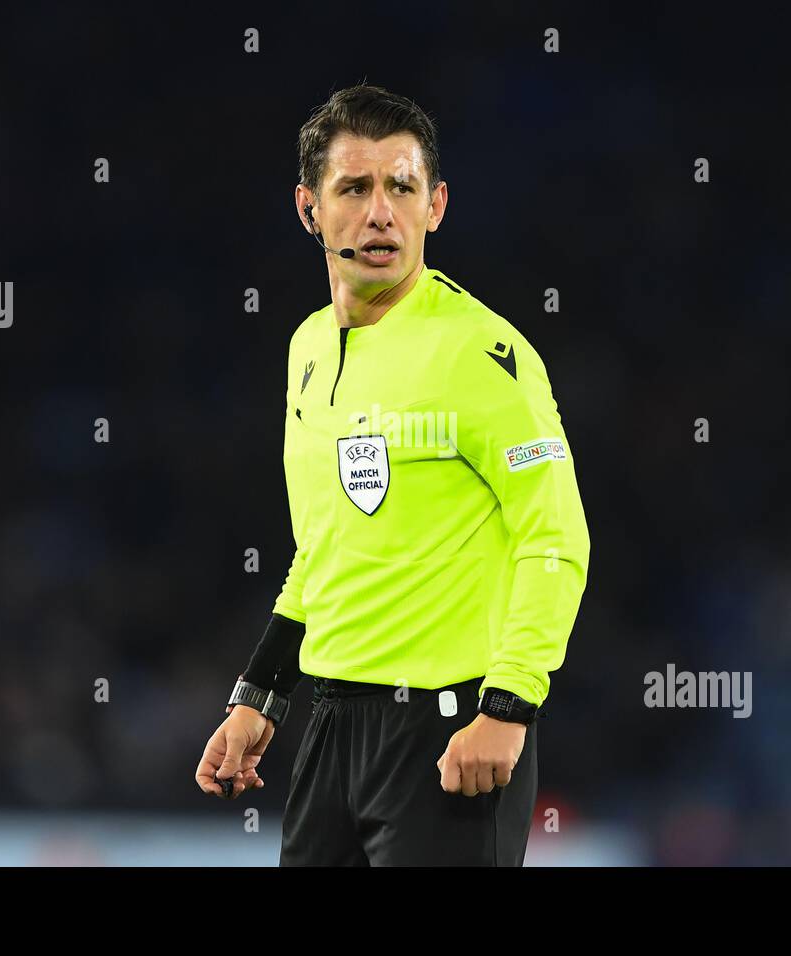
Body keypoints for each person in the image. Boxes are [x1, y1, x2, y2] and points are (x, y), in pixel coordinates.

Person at [195, 83, 589, 866]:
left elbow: (556, 539)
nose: (381, 212)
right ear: (309, 208)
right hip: (333, 729)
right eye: (355, 188)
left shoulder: (482, 354)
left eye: (401, 188)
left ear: (435, 205)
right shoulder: (307, 350)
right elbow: (324, 548)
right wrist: (260, 697)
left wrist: (508, 707)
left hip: (449, 736)